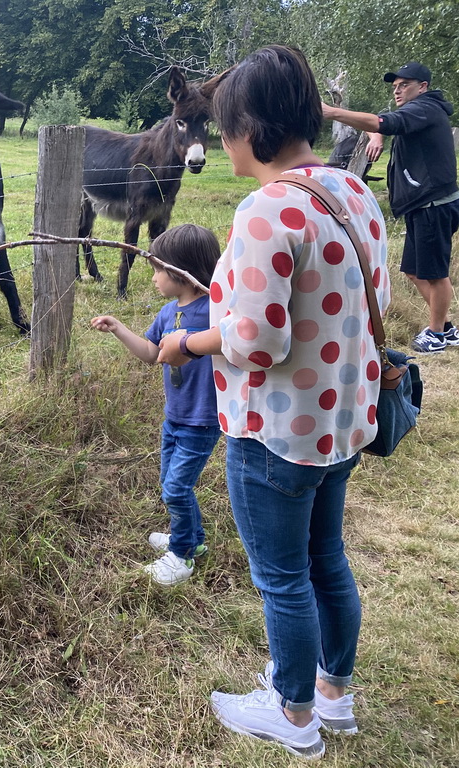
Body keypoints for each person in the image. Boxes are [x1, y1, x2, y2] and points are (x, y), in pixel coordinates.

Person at [158, 45, 390, 759]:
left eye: (225, 126)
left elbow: (256, 342)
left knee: (283, 577)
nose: (221, 140)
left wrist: (188, 346)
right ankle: (333, 695)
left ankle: (292, 714)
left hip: (276, 431)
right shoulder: (354, 193)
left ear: (251, 128)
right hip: (345, 419)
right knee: (328, 557)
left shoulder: (265, 209)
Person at [90, 223, 221, 586]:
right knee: (170, 483)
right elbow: (152, 354)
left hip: (203, 419)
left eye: (158, 271)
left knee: (176, 489)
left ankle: (181, 556)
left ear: (183, 273)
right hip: (175, 417)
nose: (153, 279)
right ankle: (192, 539)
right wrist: (118, 328)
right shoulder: (167, 313)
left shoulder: (218, 311)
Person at [323, 61, 459, 354]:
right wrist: (377, 134)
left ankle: (437, 333)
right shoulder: (418, 111)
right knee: (413, 270)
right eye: (395, 86)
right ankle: (446, 327)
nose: (397, 91)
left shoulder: (426, 108)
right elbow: (387, 122)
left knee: (435, 273)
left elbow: (387, 122)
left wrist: (331, 112)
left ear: (422, 87)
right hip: (422, 204)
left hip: (432, 204)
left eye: (404, 85)